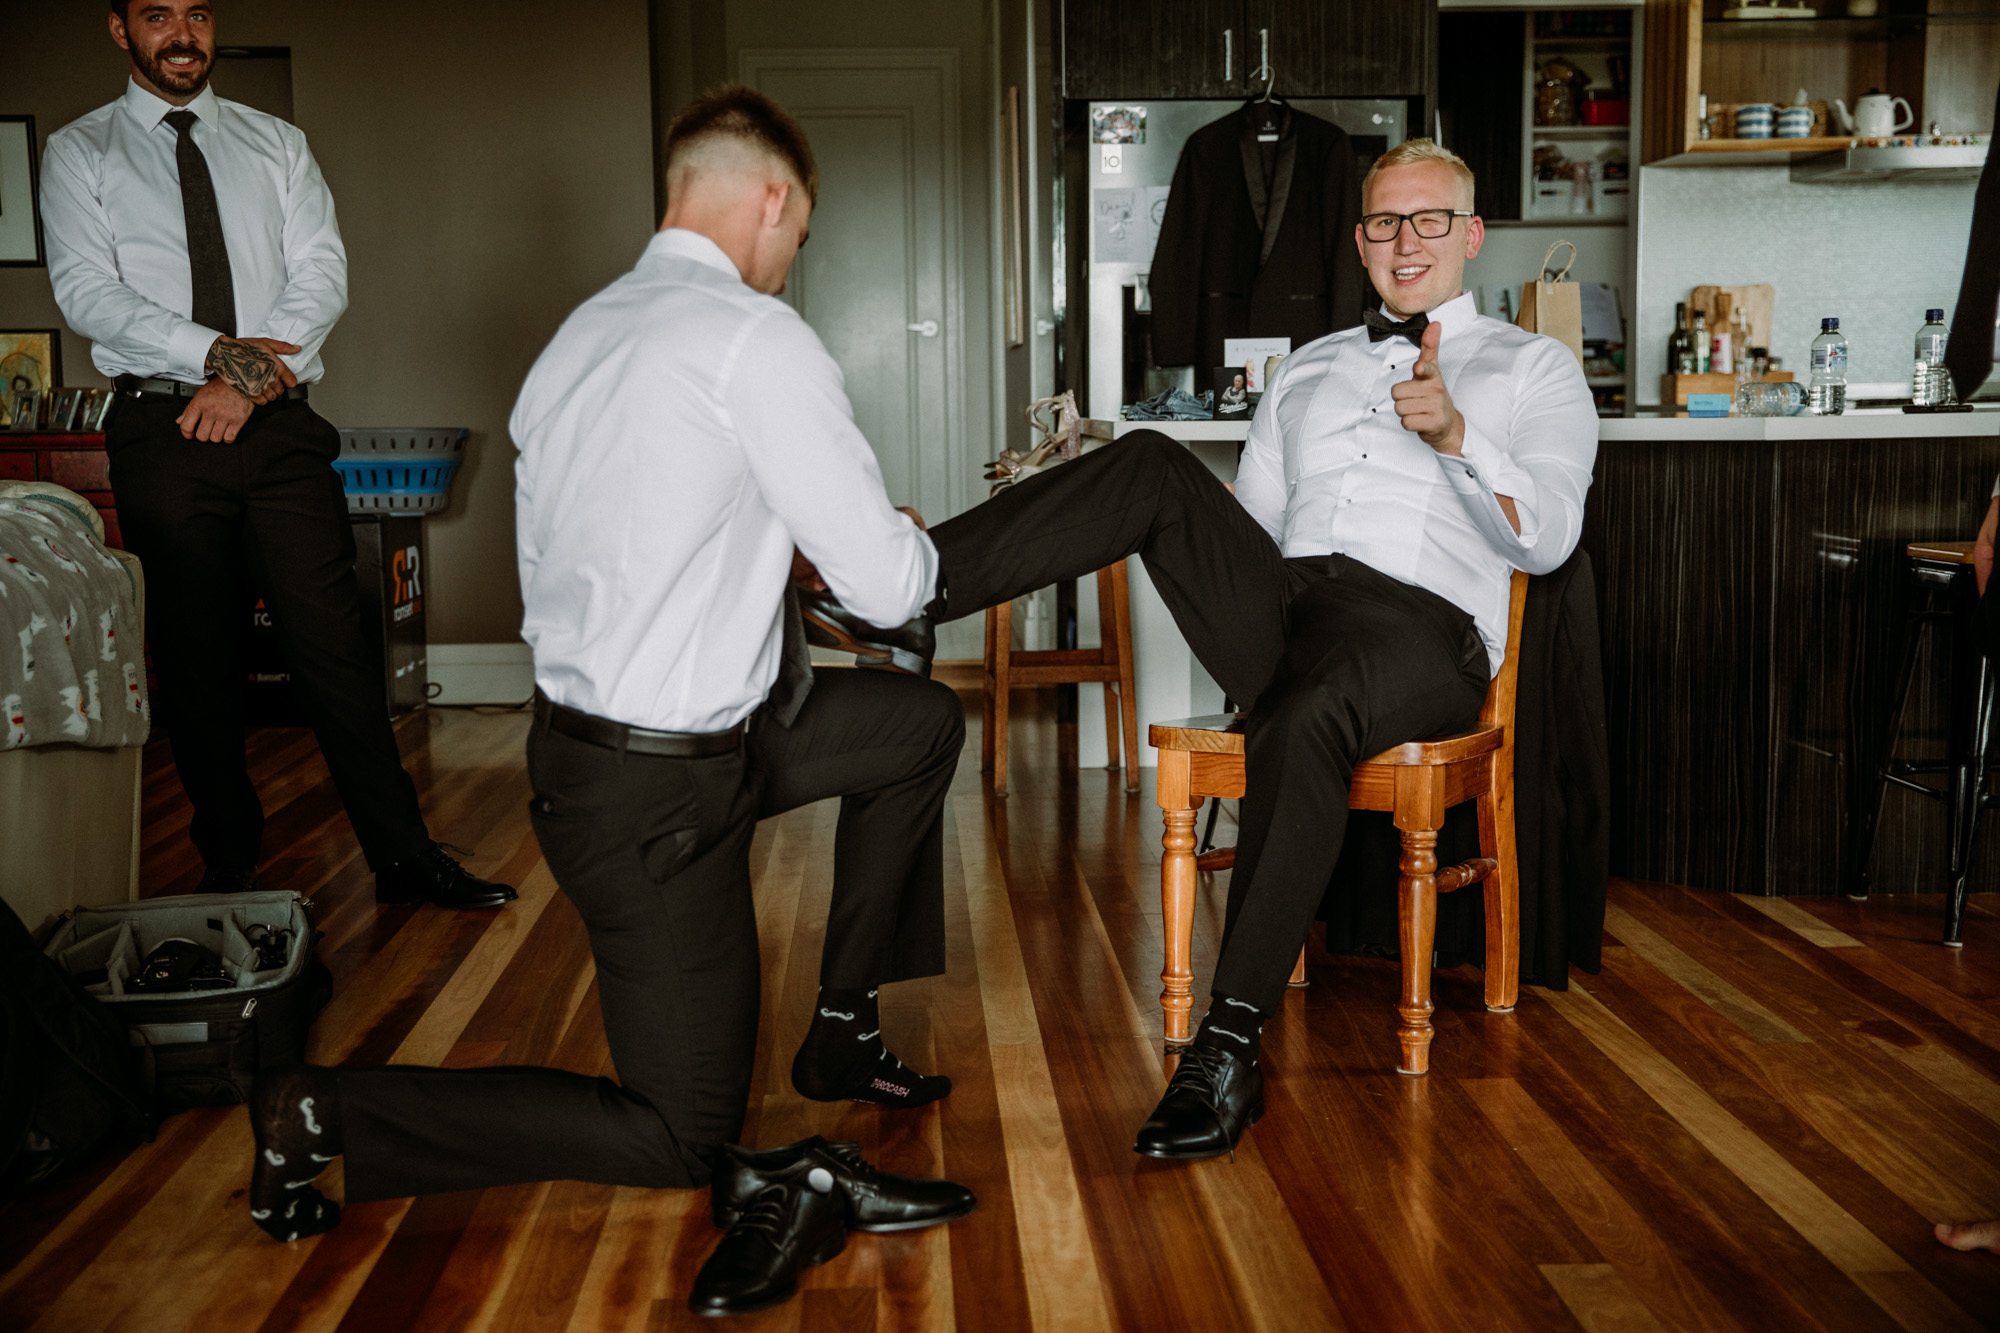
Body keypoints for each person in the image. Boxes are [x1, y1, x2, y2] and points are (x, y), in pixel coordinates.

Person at [234, 87, 975, 1318]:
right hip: (656, 798)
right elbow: (893, 589)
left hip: (618, 751)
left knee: (914, 729)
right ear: (773, 200)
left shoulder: (578, 342)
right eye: (798, 234)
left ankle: (843, 1020)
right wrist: (889, 536)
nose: (791, 260)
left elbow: (625, 539)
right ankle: (321, 1110)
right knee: (683, 1132)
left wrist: (774, 548)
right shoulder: (753, 337)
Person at [809, 138, 1597, 1159]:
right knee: (1149, 462)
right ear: (1359, 241)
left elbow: (1550, 538)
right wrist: (1196, 531)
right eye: (1382, 222)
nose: (1405, 241)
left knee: (1310, 708)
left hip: (1419, 629)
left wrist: (1455, 440)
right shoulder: (1307, 368)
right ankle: (906, 591)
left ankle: (1225, 1049)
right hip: (1291, 607)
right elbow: (1254, 532)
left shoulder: (1534, 367)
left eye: (1428, 219)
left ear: (1471, 234)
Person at [39, 0, 512, 910]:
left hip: (281, 426)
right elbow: (89, 293)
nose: (182, 34)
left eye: (198, 13)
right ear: (120, 30)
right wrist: (216, 357)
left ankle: (403, 857)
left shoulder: (278, 144)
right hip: (162, 428)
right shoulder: (79, 151)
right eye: (157, 15)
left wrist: (244, 384)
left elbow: (321, 275)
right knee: (197, 658)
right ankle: (228, 863)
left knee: (335, 646)